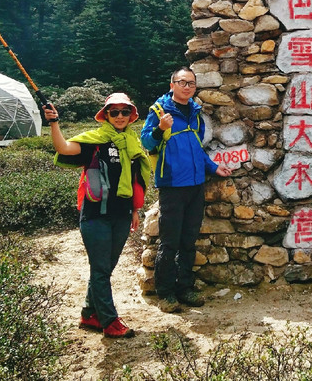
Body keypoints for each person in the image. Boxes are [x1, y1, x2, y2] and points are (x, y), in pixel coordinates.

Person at [45, 93, 147, 339]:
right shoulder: (95, 141)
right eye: (115, 112)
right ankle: (110, 321)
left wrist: (135, 210)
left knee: (105, 268)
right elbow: (64, 148)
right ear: (106, 115)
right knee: (101, 268)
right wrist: (54, 122)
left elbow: (135, 180)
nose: (120, 116)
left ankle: (89, 314)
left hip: (122, 215)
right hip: (95, 215)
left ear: (132, 115)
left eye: (125, 111)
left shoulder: (131, 142)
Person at [140, 67, 232, 313]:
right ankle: (166, 293)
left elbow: (196, 147)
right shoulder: (159, 111)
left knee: (189, 241)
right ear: (172, 85)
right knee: (169, 242)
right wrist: (159, 128)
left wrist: (213, 167)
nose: (187, 87)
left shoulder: (194, 112)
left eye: (191, 83)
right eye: (182, 82)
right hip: (171, 185)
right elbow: (146, 142)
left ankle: (185, 288)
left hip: (195, 184)